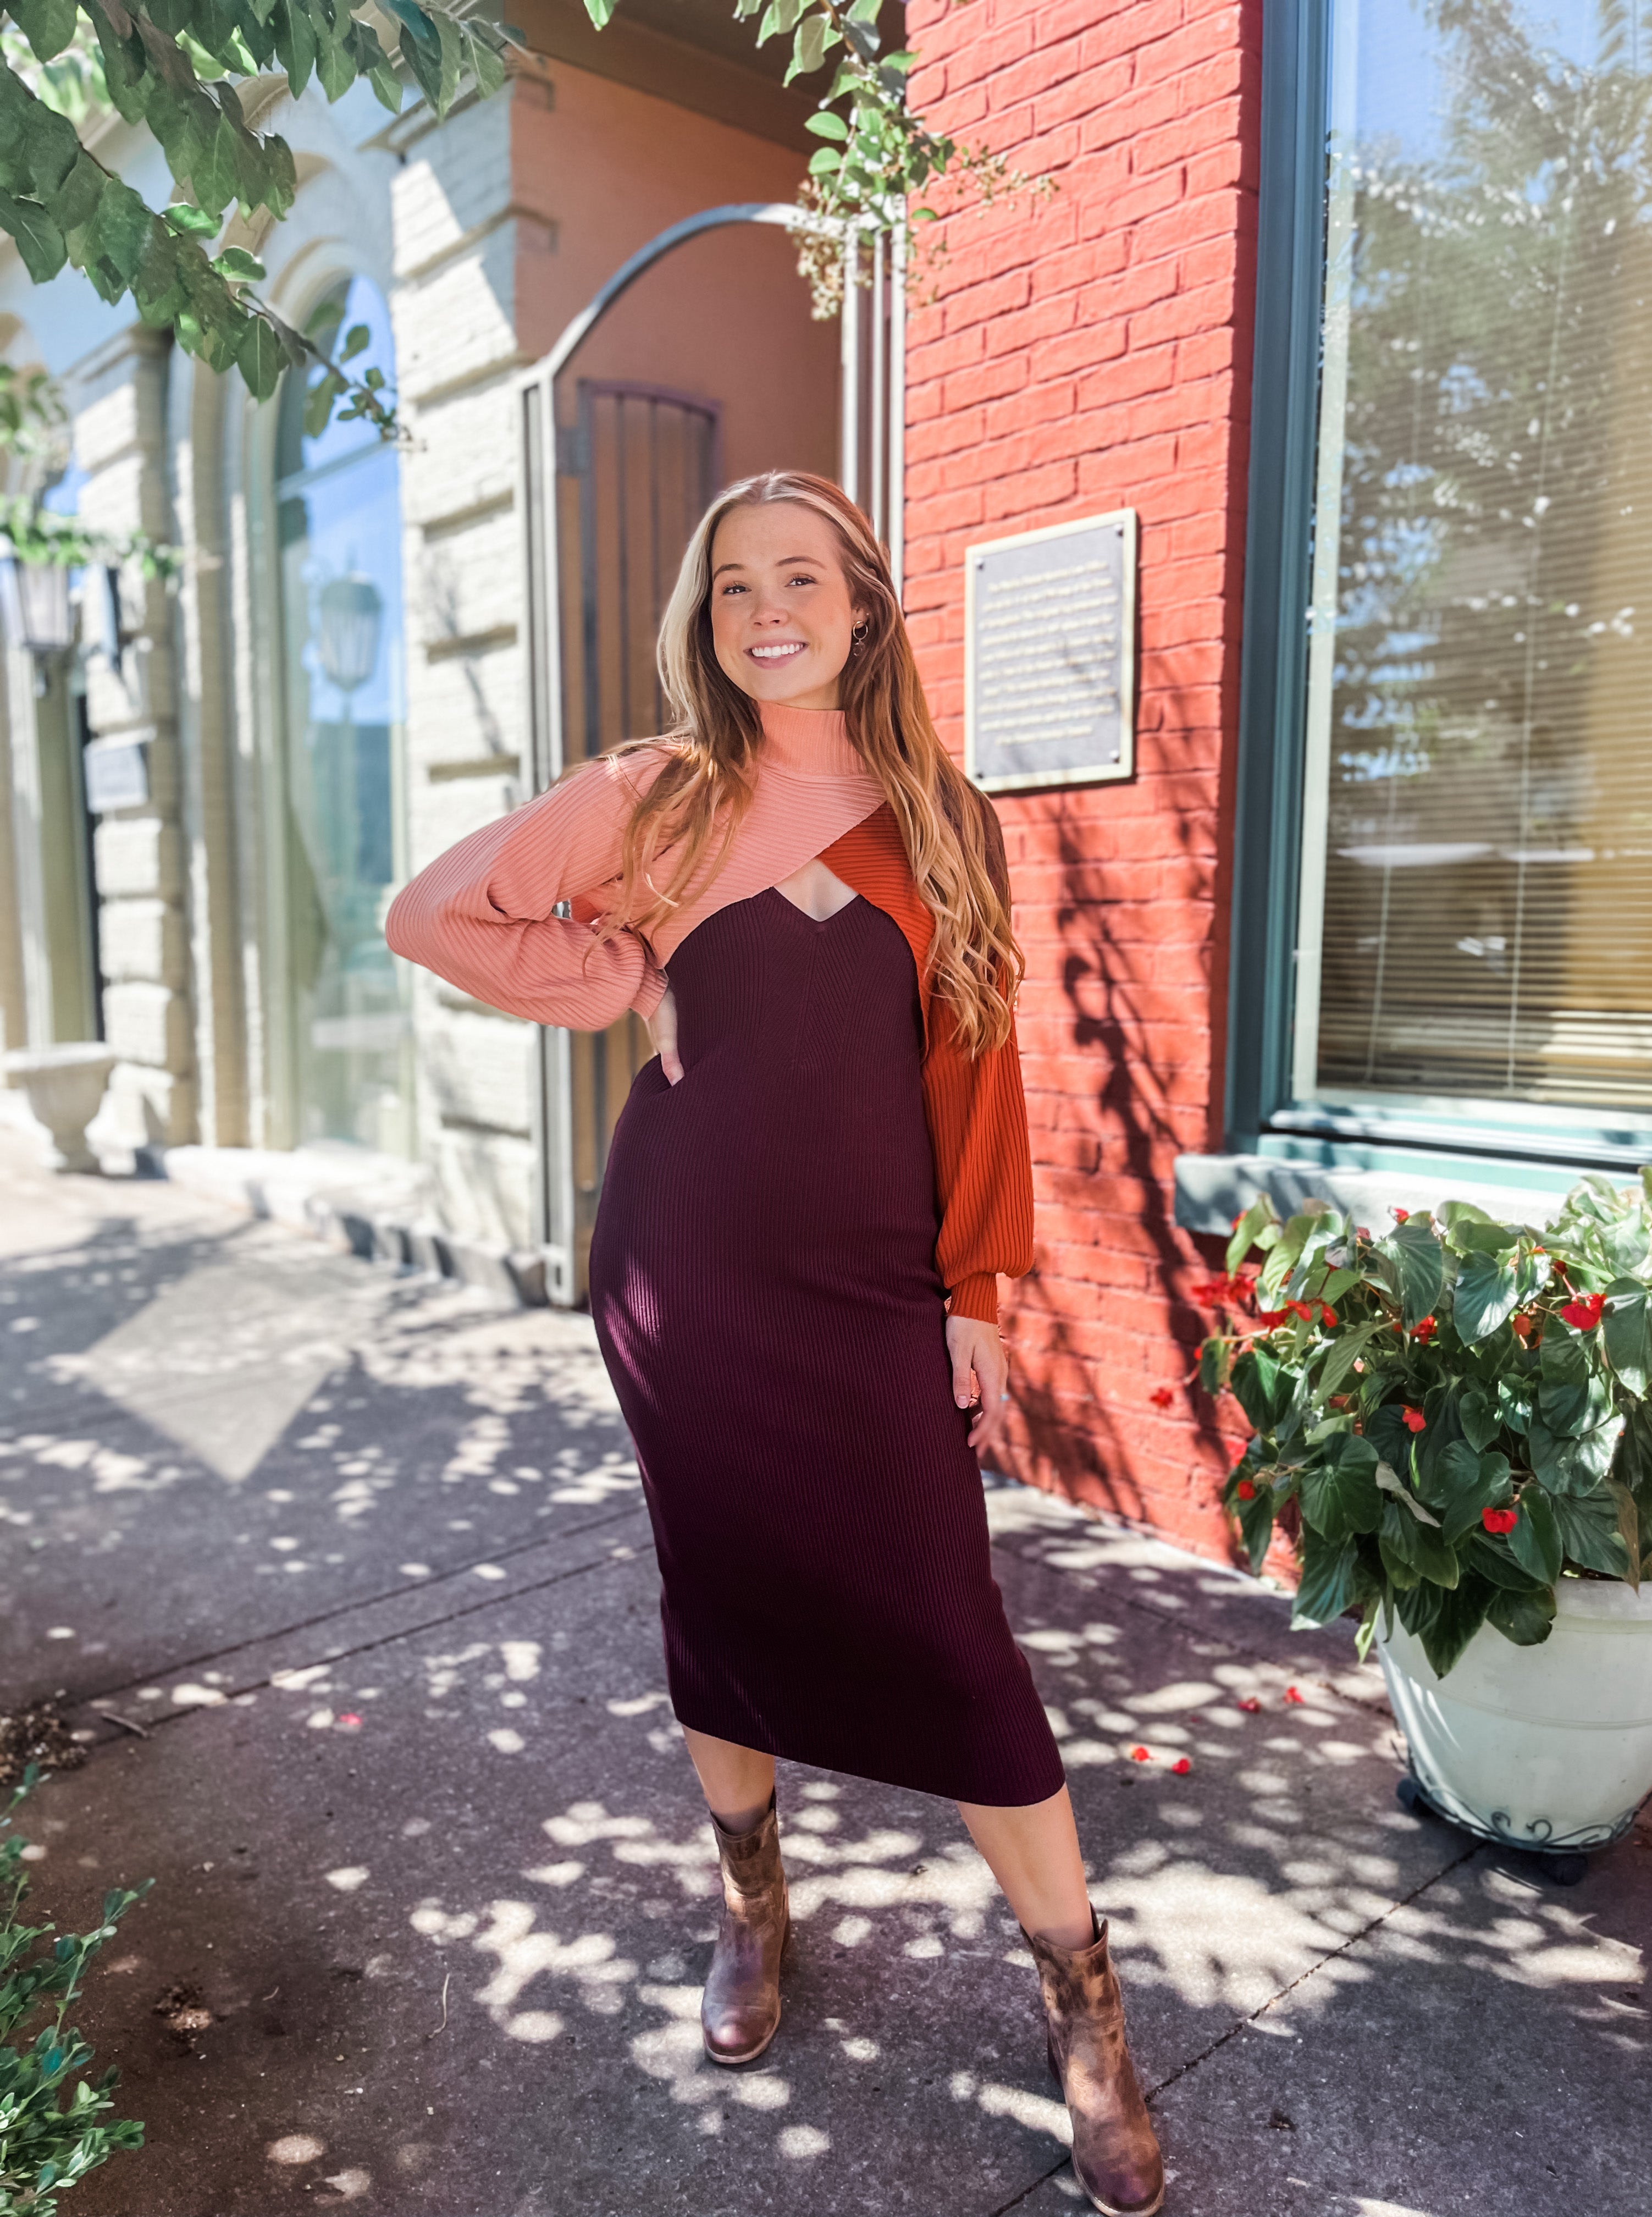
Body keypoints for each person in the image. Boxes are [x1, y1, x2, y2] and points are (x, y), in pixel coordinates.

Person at [385, 470, 1163, 2217]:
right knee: (718, 1597)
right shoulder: (658, 793)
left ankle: (1084, 2000)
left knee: (955, 1639)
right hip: (688, 1283)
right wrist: (618, 977)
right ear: (706, 618)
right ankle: (749, 1899)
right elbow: (434, 913)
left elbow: (976, 1070)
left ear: (867, 606)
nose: (763, 609)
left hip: (876, 1294)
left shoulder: (942, 815)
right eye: (732, 584)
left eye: (798, 576)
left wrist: (975, 1301)